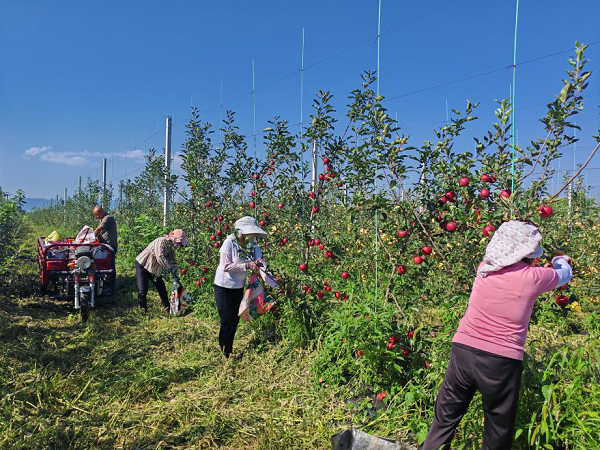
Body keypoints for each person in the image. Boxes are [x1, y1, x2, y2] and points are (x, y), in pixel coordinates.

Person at [423, 220, 573, 450]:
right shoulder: (534, 278)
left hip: (463, 350)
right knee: (497, 429)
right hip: (500, 360)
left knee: (445, 418)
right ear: (529, 252)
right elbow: (565, 274)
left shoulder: (484, 267)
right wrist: (559, 260)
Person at [213, 216, 267, 358]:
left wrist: (263, 267)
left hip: (238, 286)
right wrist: (247, 265)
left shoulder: (252, 244)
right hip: (223, 286)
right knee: (226, 318)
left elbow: (259, 258)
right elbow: (225, 266)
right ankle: (225, 350)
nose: (251, 235)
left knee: (235, 319)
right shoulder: (229, 243)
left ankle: (229, 348)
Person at [135, 229, 188, 312]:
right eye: (179, 243)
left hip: (153, 268)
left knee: (161, 287)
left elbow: (172, 261)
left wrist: (176, 275)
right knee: (143, 289)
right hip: (143, 264)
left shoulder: (171, 248)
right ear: (174, 239)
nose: (179, 245)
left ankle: (167, 308)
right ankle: (142, 310)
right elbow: (160, 257)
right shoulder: (161, 241)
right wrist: (170, 268)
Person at [93, 205, 118, 293]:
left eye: (97, 214)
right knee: (104, 264)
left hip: (110, 247)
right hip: (105, 246)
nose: (96, 217)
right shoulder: (103, 219)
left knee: (110, 265)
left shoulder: (108, 218)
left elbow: (100, 229)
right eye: (95, 215)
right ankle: (104, 282)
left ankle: (111, 286)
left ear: (102, 211)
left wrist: (91, 234)